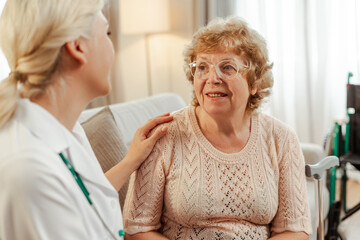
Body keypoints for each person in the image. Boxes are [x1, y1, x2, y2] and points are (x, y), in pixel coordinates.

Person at [123, 16, 312, 240]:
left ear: (254, 83)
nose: (213, 78)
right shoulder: (165, 135)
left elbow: (295, 229)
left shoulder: (281, 138)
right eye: (202, 67)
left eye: (227, 67)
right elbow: (137, 229)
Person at [0, 0, 173, 239]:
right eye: (107, 33)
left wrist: (131, 160)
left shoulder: (65, 128)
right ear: (78, 47)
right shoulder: (29, 171)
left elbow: (84, 200)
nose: (111, 47)